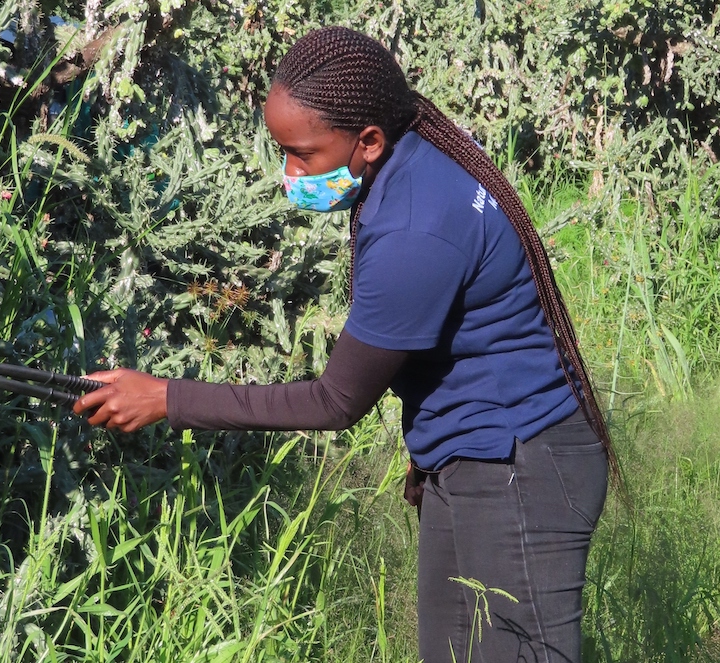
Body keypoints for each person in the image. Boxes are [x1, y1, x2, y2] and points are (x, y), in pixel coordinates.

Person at [73, 26, 612, 663]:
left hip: (521, 463)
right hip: (475, 451)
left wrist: (167, 397)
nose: (288, 176)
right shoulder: (416, 156)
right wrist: (438, 441)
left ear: (369, 141)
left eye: (303, 155)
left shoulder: (415, 229)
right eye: (282, 154)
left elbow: (335, 400)